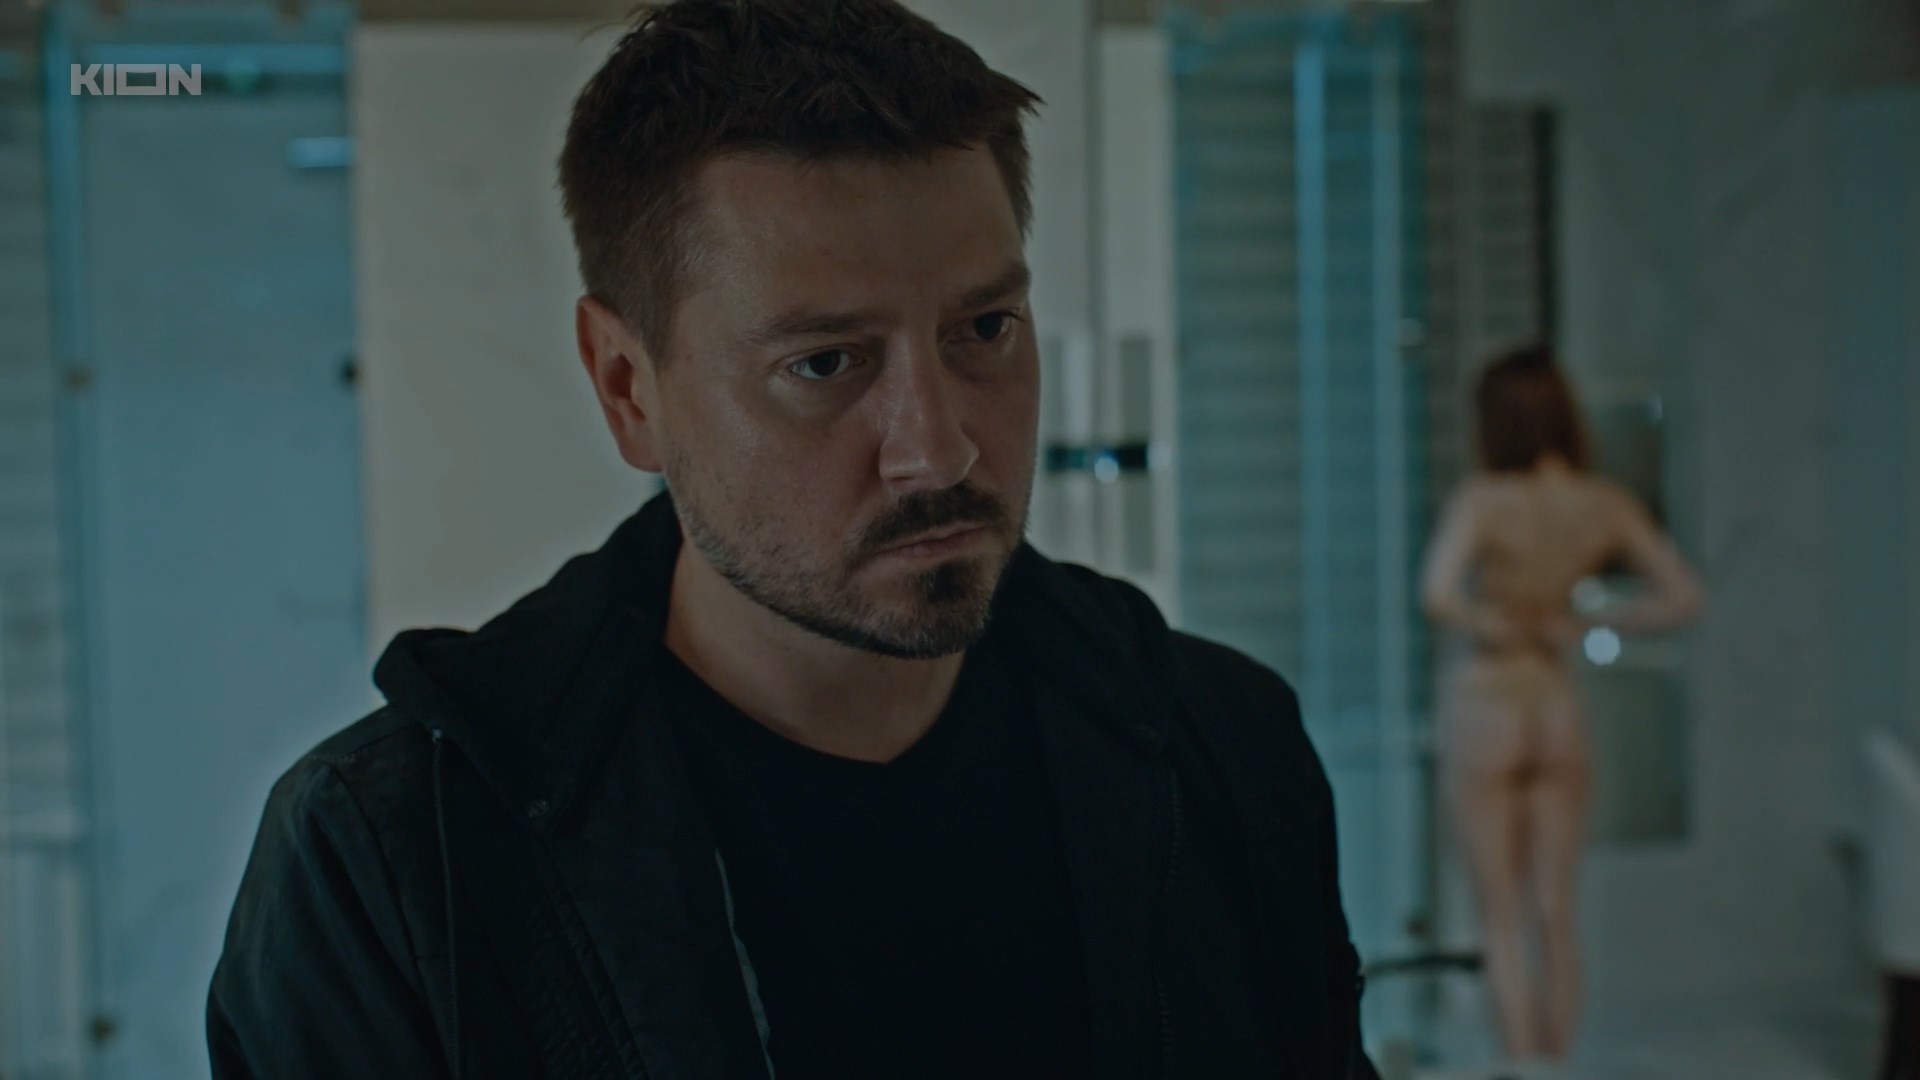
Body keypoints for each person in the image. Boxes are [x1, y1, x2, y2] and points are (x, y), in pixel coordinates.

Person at [205, 1, 1380, 1076]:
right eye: (823, 363)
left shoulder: (1220, 746)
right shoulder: (397, 857)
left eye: (984, 328)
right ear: (627, 387)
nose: (938, 450)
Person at [1418, 345, 1705, 1069]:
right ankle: (1558, 1062)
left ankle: (1524, 1066)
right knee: (1555, 910)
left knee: (1499, 916)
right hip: (1553, 704)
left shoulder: (1485, 499)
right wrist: (1585, 623)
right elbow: (1681, 595)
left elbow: (1437, 594)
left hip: (1488, 700)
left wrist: (1491, 622)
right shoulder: (1602, 503)